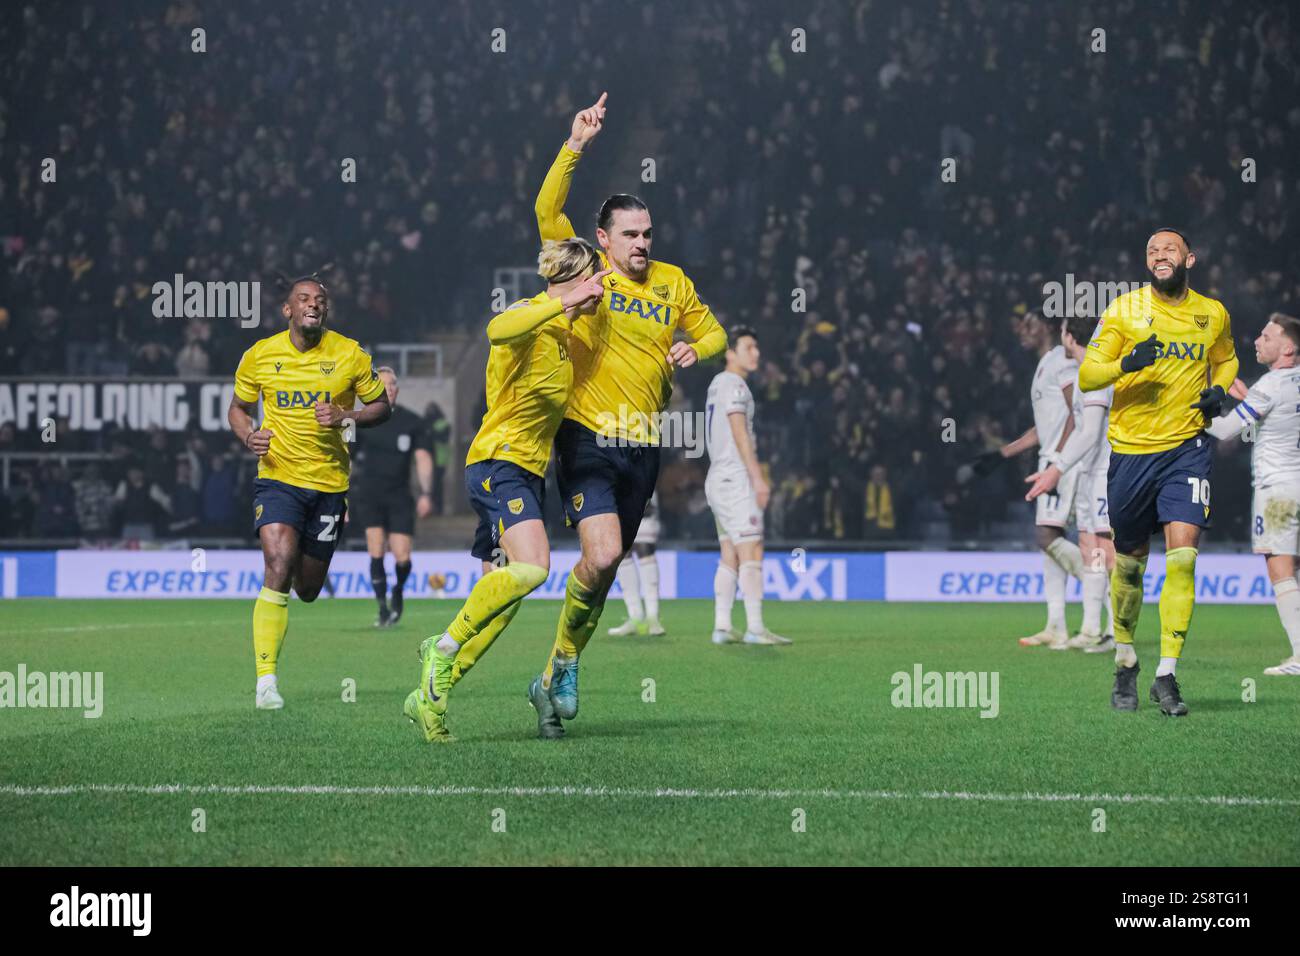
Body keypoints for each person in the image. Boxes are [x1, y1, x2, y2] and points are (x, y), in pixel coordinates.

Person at [527, 92, 728, 738]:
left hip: (644, 443)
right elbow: (544, 210)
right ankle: (563, 662)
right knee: (605, 549)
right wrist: (576, 143)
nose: (643, 243)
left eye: (648, 234)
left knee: (610, 564)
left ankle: (558, 666)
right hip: (586, 435)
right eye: (631, 235)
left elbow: (719, 334)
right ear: (604, 237)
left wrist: (699, 345)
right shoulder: (585, 271)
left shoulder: (673, 283)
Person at [403, 238, 608, 742]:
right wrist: (559, 300)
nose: (603, 287)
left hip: (523, 472)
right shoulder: (533, 315)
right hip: (500, 463)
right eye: (597, 278)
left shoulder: (564, 334)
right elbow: (496, 328)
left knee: (505, 595)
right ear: (576, 279)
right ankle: (443, 649)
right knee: (536, 567)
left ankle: (430, 697)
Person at [1079, 228, 1238, 716]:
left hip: (1187, 450)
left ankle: (1167, 674)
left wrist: (1220, 392)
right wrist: (1125, 363)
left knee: (1184, 559)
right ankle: (1126, 658)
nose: (1159, 256)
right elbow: (1088, 373)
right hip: (1130, 453)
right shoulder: (1124, 310)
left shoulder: (1212, 313)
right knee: (1129, 565)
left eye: (1168, 249)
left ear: (1189, 257)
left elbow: (1226, 360)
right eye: (1152, 251)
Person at [228, 276, 391, 710]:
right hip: (278, 477)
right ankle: (266, 682)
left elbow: (381, 408)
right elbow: (238, 409)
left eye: (320, 300)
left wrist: (346, 415)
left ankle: (301, 577)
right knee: (278, 563)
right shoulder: (260, 355)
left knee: (308, 588)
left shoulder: (350, 354)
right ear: (288, 310)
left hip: (329, 486)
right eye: (303, 299)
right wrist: (249, 437)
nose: (312, 305)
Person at [973, 311, 1085, 648]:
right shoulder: (1043, 366)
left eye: (1030, 324)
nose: (1023, 330)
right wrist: (1002, 454)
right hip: (1053, 459)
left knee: (1046, 536)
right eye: (1021, 325)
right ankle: (1056, 625)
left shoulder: (1061, 361)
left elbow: (1075, 412)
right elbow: (1045, 425)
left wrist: (1060, 460)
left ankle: (1104, 594)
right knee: (1050, 544)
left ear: (1049, 329)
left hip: (1064, 463)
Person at [1205, 313, 1300, 676]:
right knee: (1296, 568)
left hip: (1277, 490)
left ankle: (1298, 656)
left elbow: (1228, 430)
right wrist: (1248, 396)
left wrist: (1188, 416)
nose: (1258, 341)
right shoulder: (1280, 384)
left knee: (1278, 565)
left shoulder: (1271, 385)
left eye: (1266, 336)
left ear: (1287, 347)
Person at [1024, 314, 1117, 651]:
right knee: (1091, 549)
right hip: (1089, 472)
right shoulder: (1085, 376)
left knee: (1109, 555)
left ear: (1068, 337)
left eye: (1062, 330)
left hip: (1107, 470)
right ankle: (1092, 629)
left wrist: (1057, 467)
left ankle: (1118, 631)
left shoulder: (1097, 374)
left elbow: (1090, 432)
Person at [705, 326, 790, 645]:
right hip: (736, 479)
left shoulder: (716, 385)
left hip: (717, 478)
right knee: (752, 547)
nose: (756, 353)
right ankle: (755, 627)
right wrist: (757, 476)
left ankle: (722, 626)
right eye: (749, 347)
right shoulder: (735, 385)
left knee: (730, 552)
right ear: (730, 353)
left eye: (756, 347)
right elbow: (739, 431)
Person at [353, 367, 434, 627]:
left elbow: (423, 458)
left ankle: (398, 590)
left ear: (397, 390)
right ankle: (382, 609)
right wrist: (338, 494)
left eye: (391, 385)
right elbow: (345, 458)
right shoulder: (361, 420)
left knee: (402, 556)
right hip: (369, 493)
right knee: (376, 550)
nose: (387, 389)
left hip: (399, 495)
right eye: (382, 384)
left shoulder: (412, 421)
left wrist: (426, 494)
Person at [607, 492, 665, 636]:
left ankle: (653, 617)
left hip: (640, 481)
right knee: (622, 552)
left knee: (644, 547)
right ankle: (635, 617)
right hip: (614, 487)